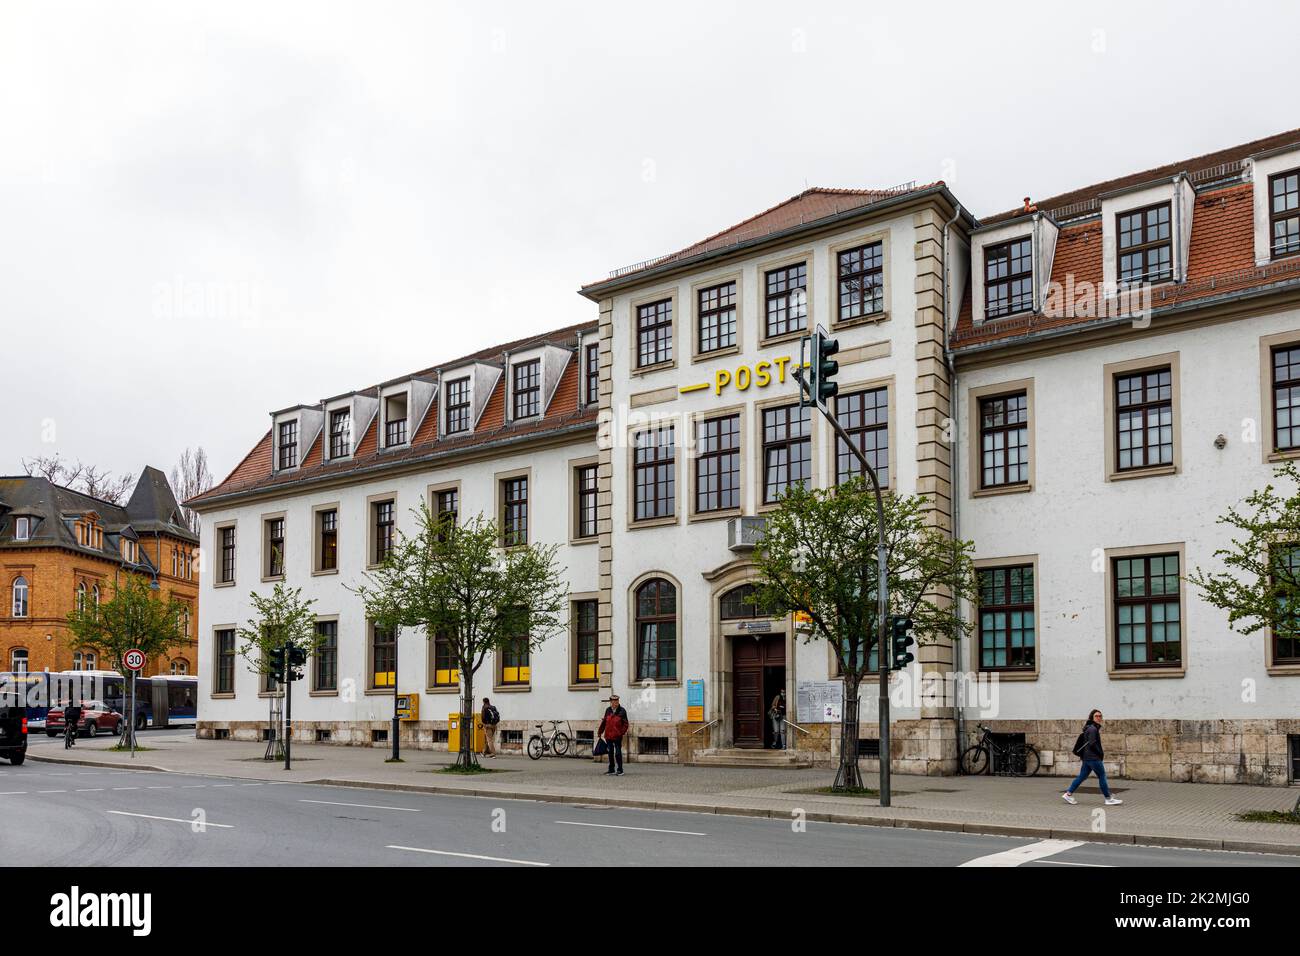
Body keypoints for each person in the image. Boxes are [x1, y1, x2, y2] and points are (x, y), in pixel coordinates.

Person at [1062, 709, 1123, 806]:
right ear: (1092, 717)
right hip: (1093, 758)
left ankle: (1068, 794)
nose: (1099, 718)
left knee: (1082, 776)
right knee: (1102, 776)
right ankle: (1108, 799)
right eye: (1096, 716)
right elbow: (1092, 744)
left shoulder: (1089, 727)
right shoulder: (1093, 729)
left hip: (1087, 758)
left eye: (1100, 716)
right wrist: (1100, 753)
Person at [597, 694, 629, 776]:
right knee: (610, 752)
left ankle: (620, 770)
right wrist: (600, 731)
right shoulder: (608, 710)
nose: (616, 702)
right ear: (611, 702)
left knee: (618, 752)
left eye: (617, 701)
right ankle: (611, 769)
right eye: (614, 701)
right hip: (608, 735)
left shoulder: (622, 711)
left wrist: (621, 732)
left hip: (617, 736)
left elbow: (626, 724)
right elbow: (604, 722)